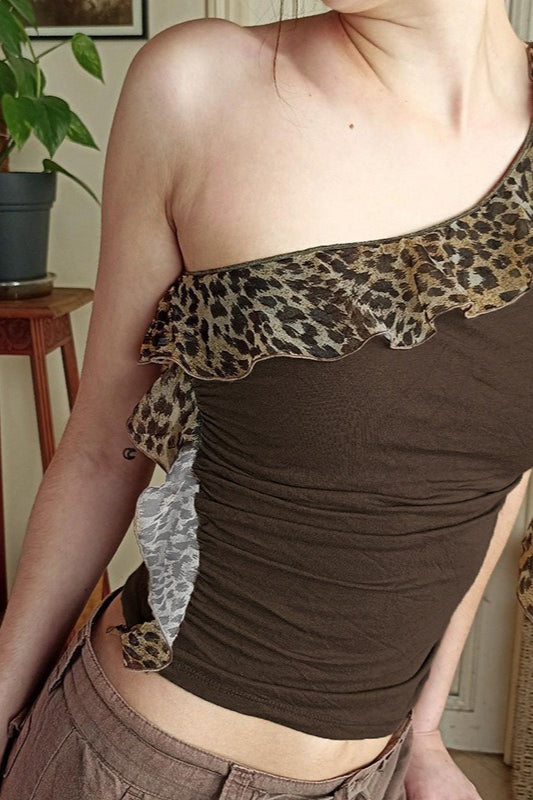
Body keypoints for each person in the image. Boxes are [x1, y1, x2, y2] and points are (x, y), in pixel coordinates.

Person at [1, 2, 533, 798]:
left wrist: (424, 731)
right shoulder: (198, 87)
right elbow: (104, 446)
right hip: (136, 765)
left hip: (371, 776)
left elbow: (494, 480)